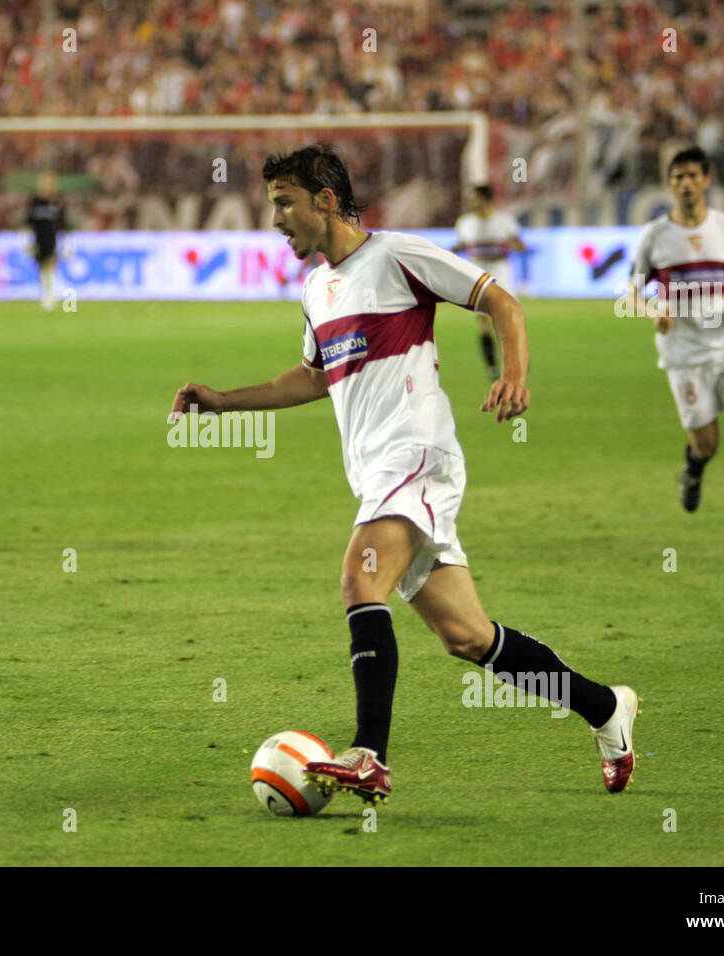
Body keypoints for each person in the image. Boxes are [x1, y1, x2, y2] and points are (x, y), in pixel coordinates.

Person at [169, 144, 638, 804]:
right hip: (378, 472)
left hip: (416, 453)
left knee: (359, 579)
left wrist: (514, 375)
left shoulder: (397, 256)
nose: (274, 220)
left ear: (324, 200)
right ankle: (604, 708)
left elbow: (500, 300)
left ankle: (370, 753)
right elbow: (310, 376)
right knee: (468, 637)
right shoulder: (317, 288)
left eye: (283, 203)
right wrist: (224, 400)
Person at [626, 146, 724, 545]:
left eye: (693, 176)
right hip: (684, 351)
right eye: (678, 177)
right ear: (669, 184)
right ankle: (693, 469)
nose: (686, 184)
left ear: (707, 181)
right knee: (706, 444)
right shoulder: (656, 236)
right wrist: (650, 312)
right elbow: (630, 292)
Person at [452, 185, 525, 381]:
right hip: (478, 275)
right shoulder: (465, 223)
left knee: (506, 320)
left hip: (501, 273)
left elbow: (520, 245)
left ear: (486, 199)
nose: (470, 202)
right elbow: (460, 245)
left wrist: (511, 245)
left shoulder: (504, 220)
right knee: (484, 322)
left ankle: (514, 359)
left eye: (473, 198)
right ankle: (492, 366)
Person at [25, 170, 66, 311]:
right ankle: (45, 294)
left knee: (50, 267)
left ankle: (50, 296)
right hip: (38, 239)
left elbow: (62, 223)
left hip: (52, 238)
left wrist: (66, 242)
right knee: (41, 268)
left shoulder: (57, 201)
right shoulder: (35, 201)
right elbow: (29, 222)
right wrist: (27, 241)